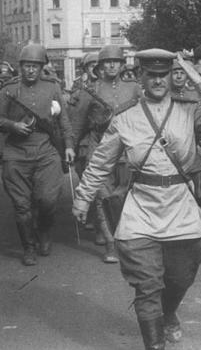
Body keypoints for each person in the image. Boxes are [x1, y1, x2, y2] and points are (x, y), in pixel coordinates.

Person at [72, 49, 201, 350]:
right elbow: (101, 162)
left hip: (181, 207)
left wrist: (195, 75)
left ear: (172, 75)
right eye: (152, 75)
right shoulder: (125, 117)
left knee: (180, 279)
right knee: (147, 286)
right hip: (141, 209)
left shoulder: (188, 108)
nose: (158, 80)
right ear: (140, 76)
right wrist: (82, 198)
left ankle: (168, 311)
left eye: (164, 74)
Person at [0, 43, 75, 266]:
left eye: (35, 66)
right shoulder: (9, 89)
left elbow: (64, 120)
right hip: (16, 153)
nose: (30, 70)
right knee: (21, 206)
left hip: (46, 151)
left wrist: (68, 145)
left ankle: (44, 231)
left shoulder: (52, 88)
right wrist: (13, 125)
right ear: (21, 67)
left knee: (48, 200)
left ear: (41, 68)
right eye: (27, 66)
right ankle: (28, 246)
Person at [71, 45, 140, 263]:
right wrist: (70, 147)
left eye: (116, 62)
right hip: (98, 148)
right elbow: (78, 123)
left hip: (128, 150)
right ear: (100, 66)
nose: (112, 65)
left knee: (124, 197)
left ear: (122, 65)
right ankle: (110, 243)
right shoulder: (91, 90)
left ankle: (124, 238)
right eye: (107, 62)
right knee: (101, 197)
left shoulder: (135, 89)